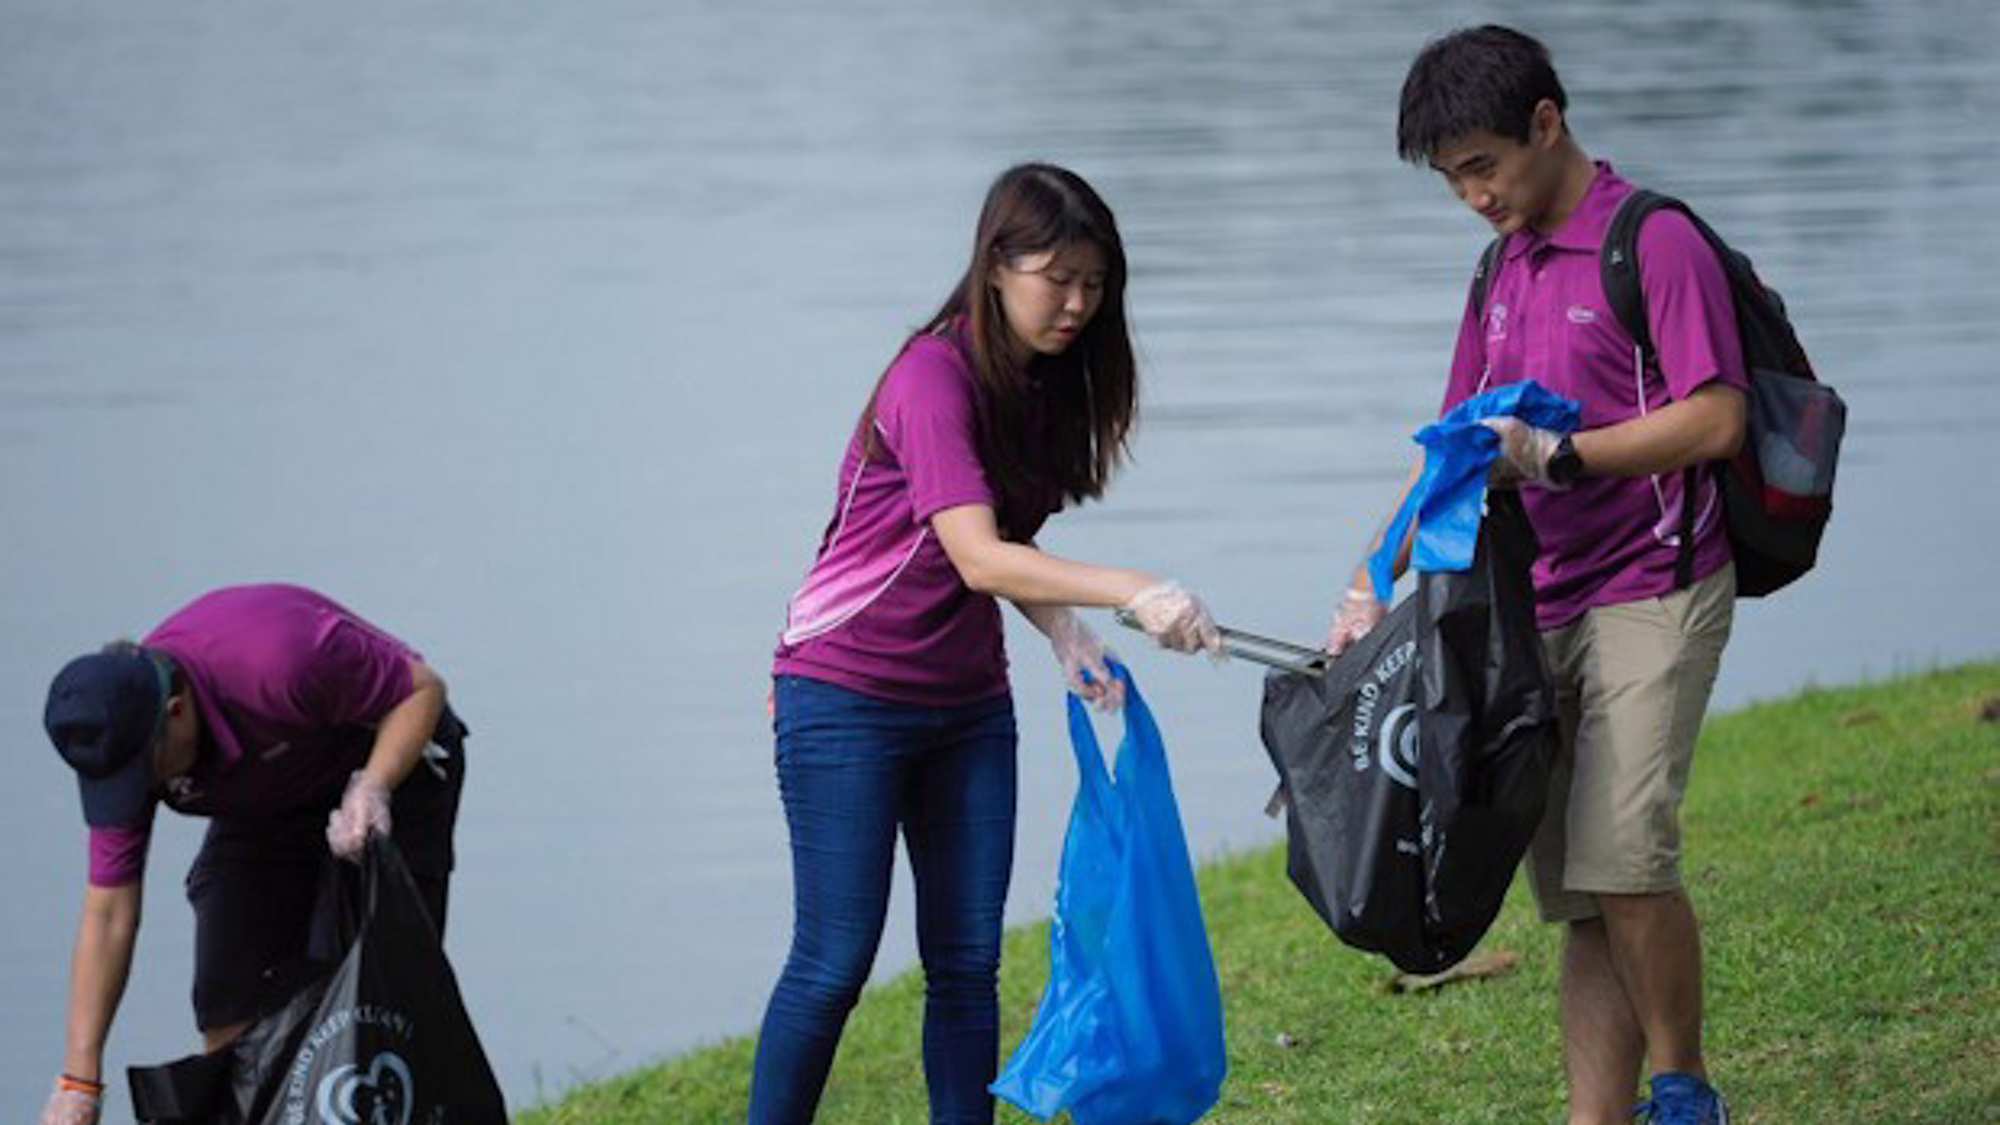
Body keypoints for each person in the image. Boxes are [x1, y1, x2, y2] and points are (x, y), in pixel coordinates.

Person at [1327, 27, 1748, 1125]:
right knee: (1577, 897)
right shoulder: (1498, 269)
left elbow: (1714, 417)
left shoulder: (1650, 242)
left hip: (1655, 584)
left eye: (1483, 166)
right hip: (1537, 602)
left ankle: (1683, 1090)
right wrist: (1372, 583)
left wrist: (1562, 456)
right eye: (1452, 178)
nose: (1472, 196)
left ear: (1546, 124)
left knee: (1626, 863)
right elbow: (1456, 448)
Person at [749, 162, 1223, 1125]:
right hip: (844, 693)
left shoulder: (1037, 383)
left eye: (1096, 284)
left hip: (966, 705)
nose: (1080, 304)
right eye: (1060, 278)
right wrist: (1131, 587)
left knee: (966, 961)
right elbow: (975, 555)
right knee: (835, 958)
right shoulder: (931, 374)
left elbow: (1006, 540)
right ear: (997, 265)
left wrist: (1064, 628)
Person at [37, 583, 467, 1125]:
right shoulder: (118, 747)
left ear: (175, 712)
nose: (139, 793)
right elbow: (109, 913)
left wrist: (373, 785)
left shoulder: (281, 658)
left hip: (390, 757)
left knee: (381, 997)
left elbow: (421, 688)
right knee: (229, 1002)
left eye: (144, 774)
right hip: (264, 798)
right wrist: (80, 1079)